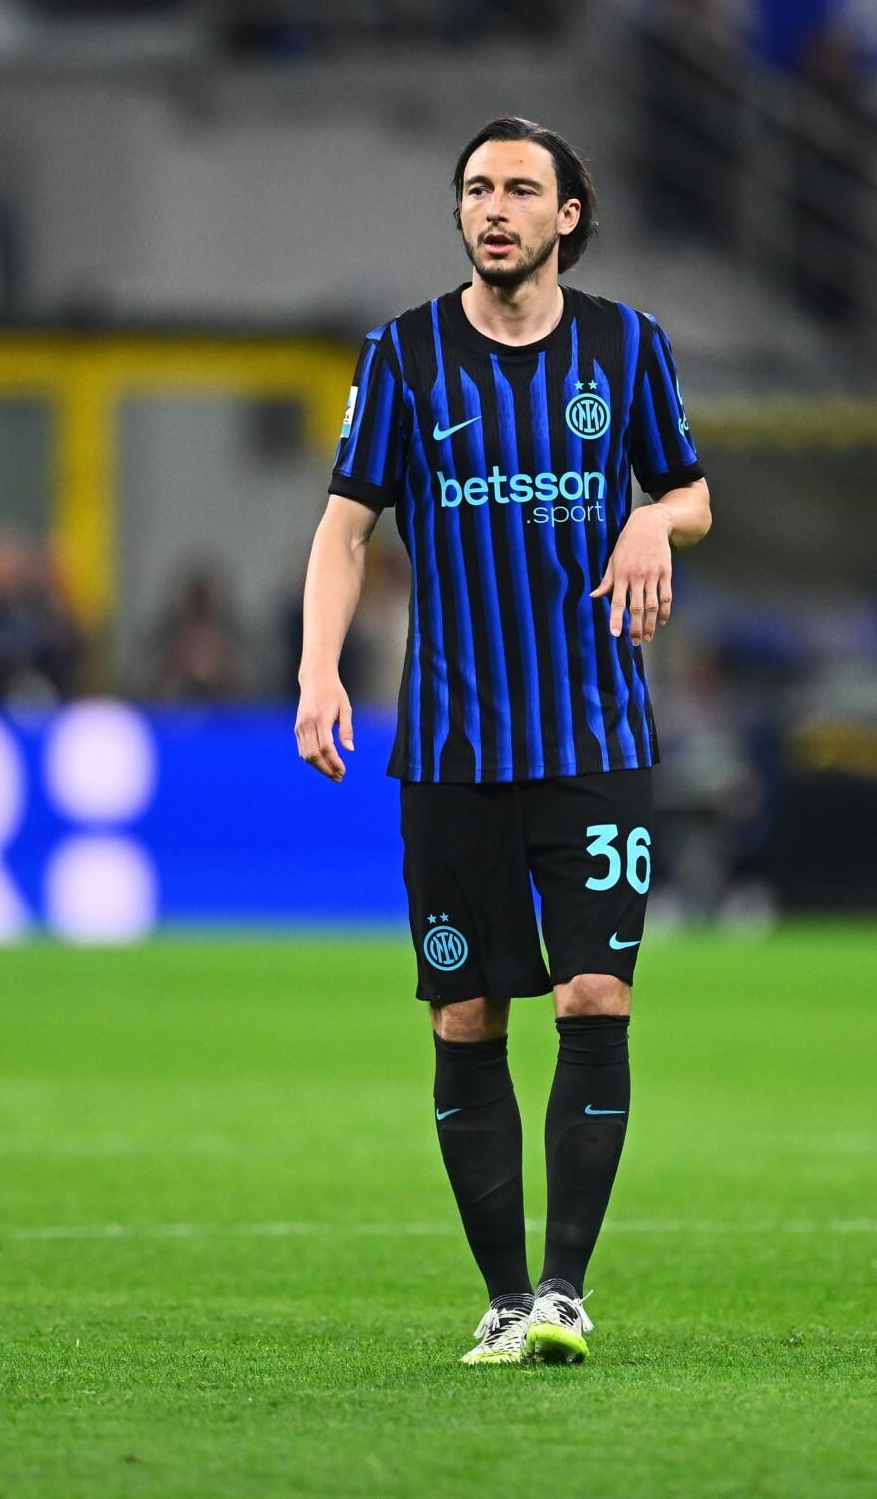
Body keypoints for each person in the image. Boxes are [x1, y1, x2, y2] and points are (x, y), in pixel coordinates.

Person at [295, 116, 712, 1365]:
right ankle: (499, 1297)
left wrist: (653, 521)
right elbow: (344, 526)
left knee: (594, 993)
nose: (492, 207)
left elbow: (688, 490)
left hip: (594, 738)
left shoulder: (627, 346)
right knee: (466, 1014)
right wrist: (317, 667)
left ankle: (563, 1292)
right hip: (452, 749)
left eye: (519, 188)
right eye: (476, 188)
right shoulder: (404, 354)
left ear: (565, 217)